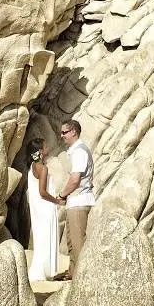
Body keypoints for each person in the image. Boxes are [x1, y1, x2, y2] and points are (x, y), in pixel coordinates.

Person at [59, 119, 95, 279]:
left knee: (78, 243)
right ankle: (73, 274)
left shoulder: (79, 151)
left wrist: (62, 195)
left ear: (74, 131)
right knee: (72, 243)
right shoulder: (76, 151)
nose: (61, 136)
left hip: (80, 202)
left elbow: (75, 179)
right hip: (76, 202)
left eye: (64, 132)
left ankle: (81, 279)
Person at [27, 138, 64, 282]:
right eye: (45, 146)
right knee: (47, 236)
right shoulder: (43, 168)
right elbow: (42, 192)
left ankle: (44, 270)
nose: (47, 147)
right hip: (45, 207)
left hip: (37, 209)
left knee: (40, 237)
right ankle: (47, 271)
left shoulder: (32, 166)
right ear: (40, 151)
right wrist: (57, 201)